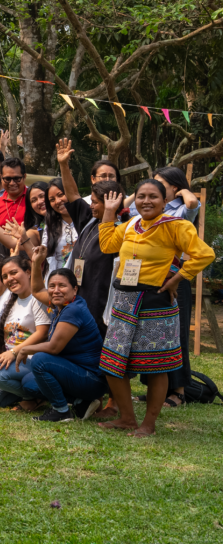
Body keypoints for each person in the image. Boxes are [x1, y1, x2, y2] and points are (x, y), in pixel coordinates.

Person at [97, 185, 214, 437]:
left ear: (165, 201)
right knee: (113, 362)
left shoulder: (176, 225)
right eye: (141, 196)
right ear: (135, 200)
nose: (146, 201)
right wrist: (108, 213)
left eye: (153, 197)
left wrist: (177, 278)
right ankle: (127, 418)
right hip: (124, 300)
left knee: (157, 365)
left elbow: (204, 254)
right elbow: (107, 245)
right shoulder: (130, 225)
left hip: (155, 302)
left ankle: (148, 424)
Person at [20, 260, 108, 422]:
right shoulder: (63, 304)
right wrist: (36, 261)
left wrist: (24, 349)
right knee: (29, 383)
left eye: (62, 286)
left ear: (75, 289)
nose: (56, 290)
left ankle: (61, 411)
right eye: (52, 286)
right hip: (79, 374)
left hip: (92, 379)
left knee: (39, 360)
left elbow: (53, 348)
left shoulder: (73, 310)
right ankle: (80, 402)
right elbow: (38, 289)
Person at [56, 139, 124, 338]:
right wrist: (63, 164)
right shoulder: (88, 218)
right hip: (80, 292)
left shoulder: (123, 227)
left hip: (103, 296)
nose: (90, 205)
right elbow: (73, 194)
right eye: (91, 202)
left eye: (95, 202)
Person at [0, 255, 53, 409]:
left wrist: (14, 352)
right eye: (5, 276)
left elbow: (43, 333)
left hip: (32, 359)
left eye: (14, 273)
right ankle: (28, 395)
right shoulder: (10, 300)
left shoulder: (37, 298)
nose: (9, 279)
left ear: (28, 272)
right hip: (11, 361)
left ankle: (35, 396)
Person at [39, 178, 77, 274]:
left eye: (61, 195)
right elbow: (42, 253)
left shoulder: (86, 219)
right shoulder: (50, 224)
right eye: (52, 200)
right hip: (58, 278)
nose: (57, 201)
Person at [0, 157, 28, 226]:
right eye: (7, 179)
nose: (12, 183)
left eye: (16, 178)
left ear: (24, 177)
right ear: (1, 178)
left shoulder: (33, 199)